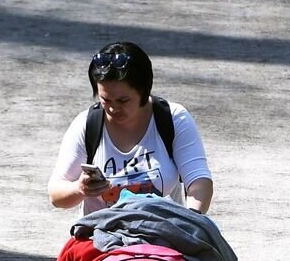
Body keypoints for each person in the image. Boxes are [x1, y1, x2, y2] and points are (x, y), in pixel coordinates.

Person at [48, 41, 214, 215]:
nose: (113, 109)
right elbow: (56, 194)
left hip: (161, 232)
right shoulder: (86, 125)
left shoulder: (172, 118)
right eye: (105, 100)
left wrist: (192, 220)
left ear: (143, 90)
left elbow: (198, 180)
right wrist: (79, 189)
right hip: (100, 234)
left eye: (123, 101)